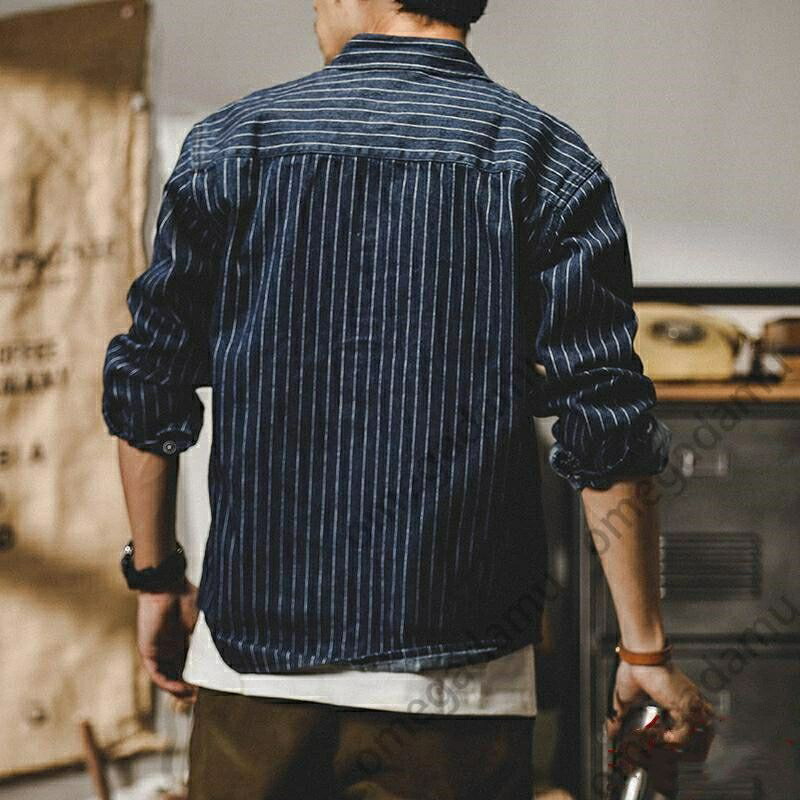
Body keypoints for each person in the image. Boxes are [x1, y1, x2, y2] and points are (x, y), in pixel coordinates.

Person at [102, 1, 716, 797]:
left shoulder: (231, 146)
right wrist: (644, 651)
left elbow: (150, 384)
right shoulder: (545, 159)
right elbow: (607, 424)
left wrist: (156, 580)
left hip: (258, 669)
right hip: (461, 685)